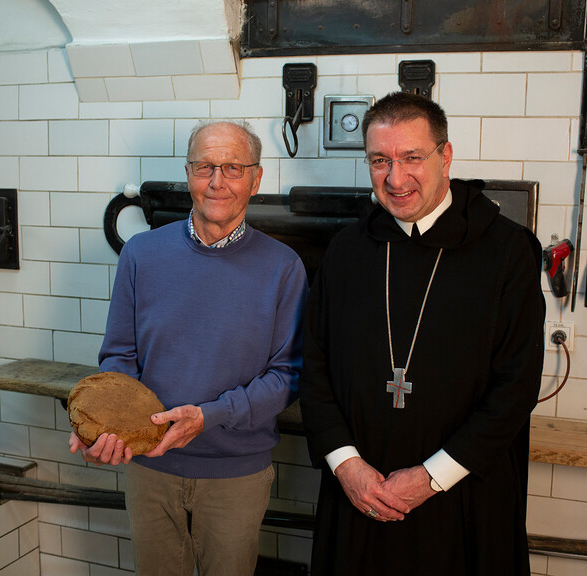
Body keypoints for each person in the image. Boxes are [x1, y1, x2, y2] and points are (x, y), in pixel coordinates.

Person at [299, 92, 545, 575]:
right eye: (379, 160)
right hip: (360, 495)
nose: (395, 178)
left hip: (463, 498)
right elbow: (315, 368)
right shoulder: (347, 250)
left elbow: (516, 388)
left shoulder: (508, 250)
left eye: (412, 157)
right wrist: (346, 465)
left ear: (445, 155)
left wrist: (431, 478)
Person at [69, 120, 308, 576]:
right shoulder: (141, 253)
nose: (217, 181)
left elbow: (288, 378)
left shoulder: (284, 267)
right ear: (188, 174)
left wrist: (209, 417)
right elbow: (119, 357)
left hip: (237, 474)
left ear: (256, 179)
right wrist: (102, 423)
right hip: (150, 468)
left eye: (233, 167)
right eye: (204, 167)